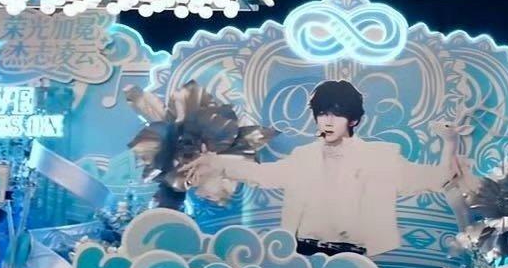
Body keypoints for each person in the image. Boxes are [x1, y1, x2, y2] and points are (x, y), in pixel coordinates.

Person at [196, 80, 458, 256]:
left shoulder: (381, 156)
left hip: (354, 255)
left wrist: (449, 142)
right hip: (303, 253)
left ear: (353, 120)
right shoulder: (303, 157)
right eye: (322, 114)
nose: (328, 122)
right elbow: (261, 175)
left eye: (337, 114)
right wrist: (218, 163)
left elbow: (439, 179)